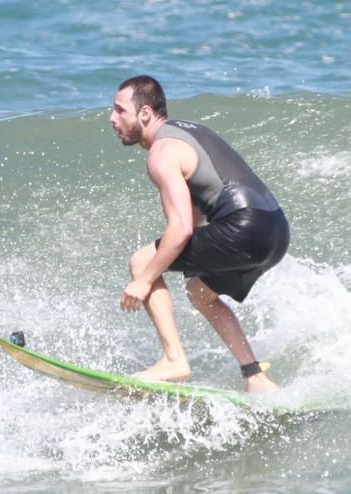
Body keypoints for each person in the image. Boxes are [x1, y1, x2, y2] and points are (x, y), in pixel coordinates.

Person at [109, 75, 289, 392]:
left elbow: (181, 229)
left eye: (120, 111)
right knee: (199, 291)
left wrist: (145, 279)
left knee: (141, 262)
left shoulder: (161, 153)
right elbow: (199, 209)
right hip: (274, 230)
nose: (112, 119)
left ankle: (173, 359)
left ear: (145, 113)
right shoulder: (187, 132)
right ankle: (255, 377)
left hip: (243, 227)